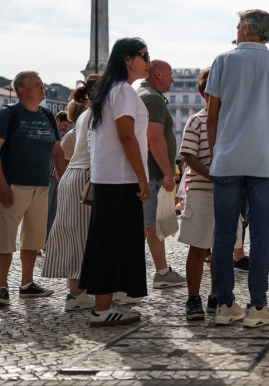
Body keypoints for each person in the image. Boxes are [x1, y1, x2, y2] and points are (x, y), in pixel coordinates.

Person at [205, 9, 269, 328]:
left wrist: (216, 152)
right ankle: (258, 305)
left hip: (228, 159)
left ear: (244, 28)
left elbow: (212, 115)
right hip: (265, 160)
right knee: (260, 234)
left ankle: (226, 304)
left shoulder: (223, 61)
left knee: (225, 234)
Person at [78, 37, 152, 327]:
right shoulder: (122, 91)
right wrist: (142, 177)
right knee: (112, 242)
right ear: (127, 59)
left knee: (108, 241)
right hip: (120, 179)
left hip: (109, 178)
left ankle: (105, 303)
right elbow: (126, 135)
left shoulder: (112, 90)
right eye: (144, 55)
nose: (148, 61)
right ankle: (102, 308)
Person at [0, 71, 65, 305]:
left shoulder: (47, 115)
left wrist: (63, 180)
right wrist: (1, 184)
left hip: (41, 187)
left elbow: (57, 151)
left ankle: (26, 284)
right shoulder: (8, 114)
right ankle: (2, 287)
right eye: (37, 84)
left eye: (42, 83)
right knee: (6, 238)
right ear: (21, 90)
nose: (42, 87)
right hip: (13, 186)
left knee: (33, 239)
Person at [179, 67, 244, 320]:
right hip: (203, 191)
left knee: (223, 249)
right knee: (198, 246)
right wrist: (211, 174)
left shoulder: (233, 120)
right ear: (203, 93)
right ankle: (193, 297)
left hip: (229, 191)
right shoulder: (196, 120)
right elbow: (188, 154)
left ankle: (216, 294)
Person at [41, 76, 97, 311]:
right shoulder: (80, 128)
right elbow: (59, 164)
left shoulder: (82, 122)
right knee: (80, 239)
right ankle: (76, 294)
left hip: (75, 181)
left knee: (77, 238)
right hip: (81, 181)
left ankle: (78, 292)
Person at [137, 60, 186, 288]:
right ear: (158, 74)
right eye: (170, 74)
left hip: (148, 170)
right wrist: (168, 172)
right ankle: (162, 273)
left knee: (151, 225)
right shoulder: (153, 98)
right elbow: (153, 138)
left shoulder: (145, 94)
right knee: (152, 226)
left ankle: (161, 270)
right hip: (153, 172)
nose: (172, 79)